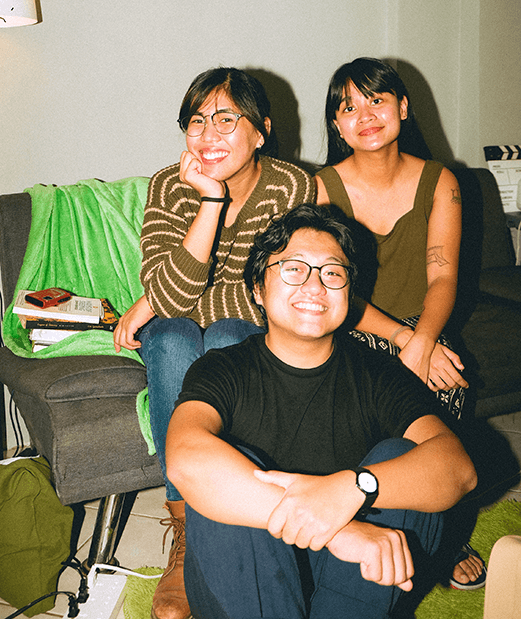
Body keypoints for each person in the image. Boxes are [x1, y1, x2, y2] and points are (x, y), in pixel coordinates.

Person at [165, 203, 477, 618]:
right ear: (258, 289)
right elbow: (185, 459)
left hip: (352, 583)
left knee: (400, 457)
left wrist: (354, 487)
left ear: (349, 293)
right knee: (226, 473)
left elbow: (458, 469)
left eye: (332, 273)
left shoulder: (377, 373)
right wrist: (336, 530)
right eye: (294, 269)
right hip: (247, 577)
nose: (314, 286)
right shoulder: (224, 368)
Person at [113, 67, 314, 619]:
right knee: (173, 338)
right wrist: (209, 201)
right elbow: (170, 293)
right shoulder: (167, 184)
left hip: (240, 329)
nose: (207, 136)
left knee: (225, 333)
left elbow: (270, 295)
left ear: (261, 131)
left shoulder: (290, 187)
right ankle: (185, 526)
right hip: (175, 329)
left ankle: (226, 507)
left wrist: (152, 303)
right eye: (196, 121)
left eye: (227, 120)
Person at [314, 57, 484, 589]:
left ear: (403, 108)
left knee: (447, 379)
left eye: (376, 100)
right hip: (348, 325)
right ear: (337, 124)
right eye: (349, 107)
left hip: (419, 324)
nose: (365, 115)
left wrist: (425, 339)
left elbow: (443, 276)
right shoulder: (322, 188)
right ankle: (360, 518)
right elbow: (331, 289)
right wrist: (404, 339)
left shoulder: (440, 181)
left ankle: (442, 530)